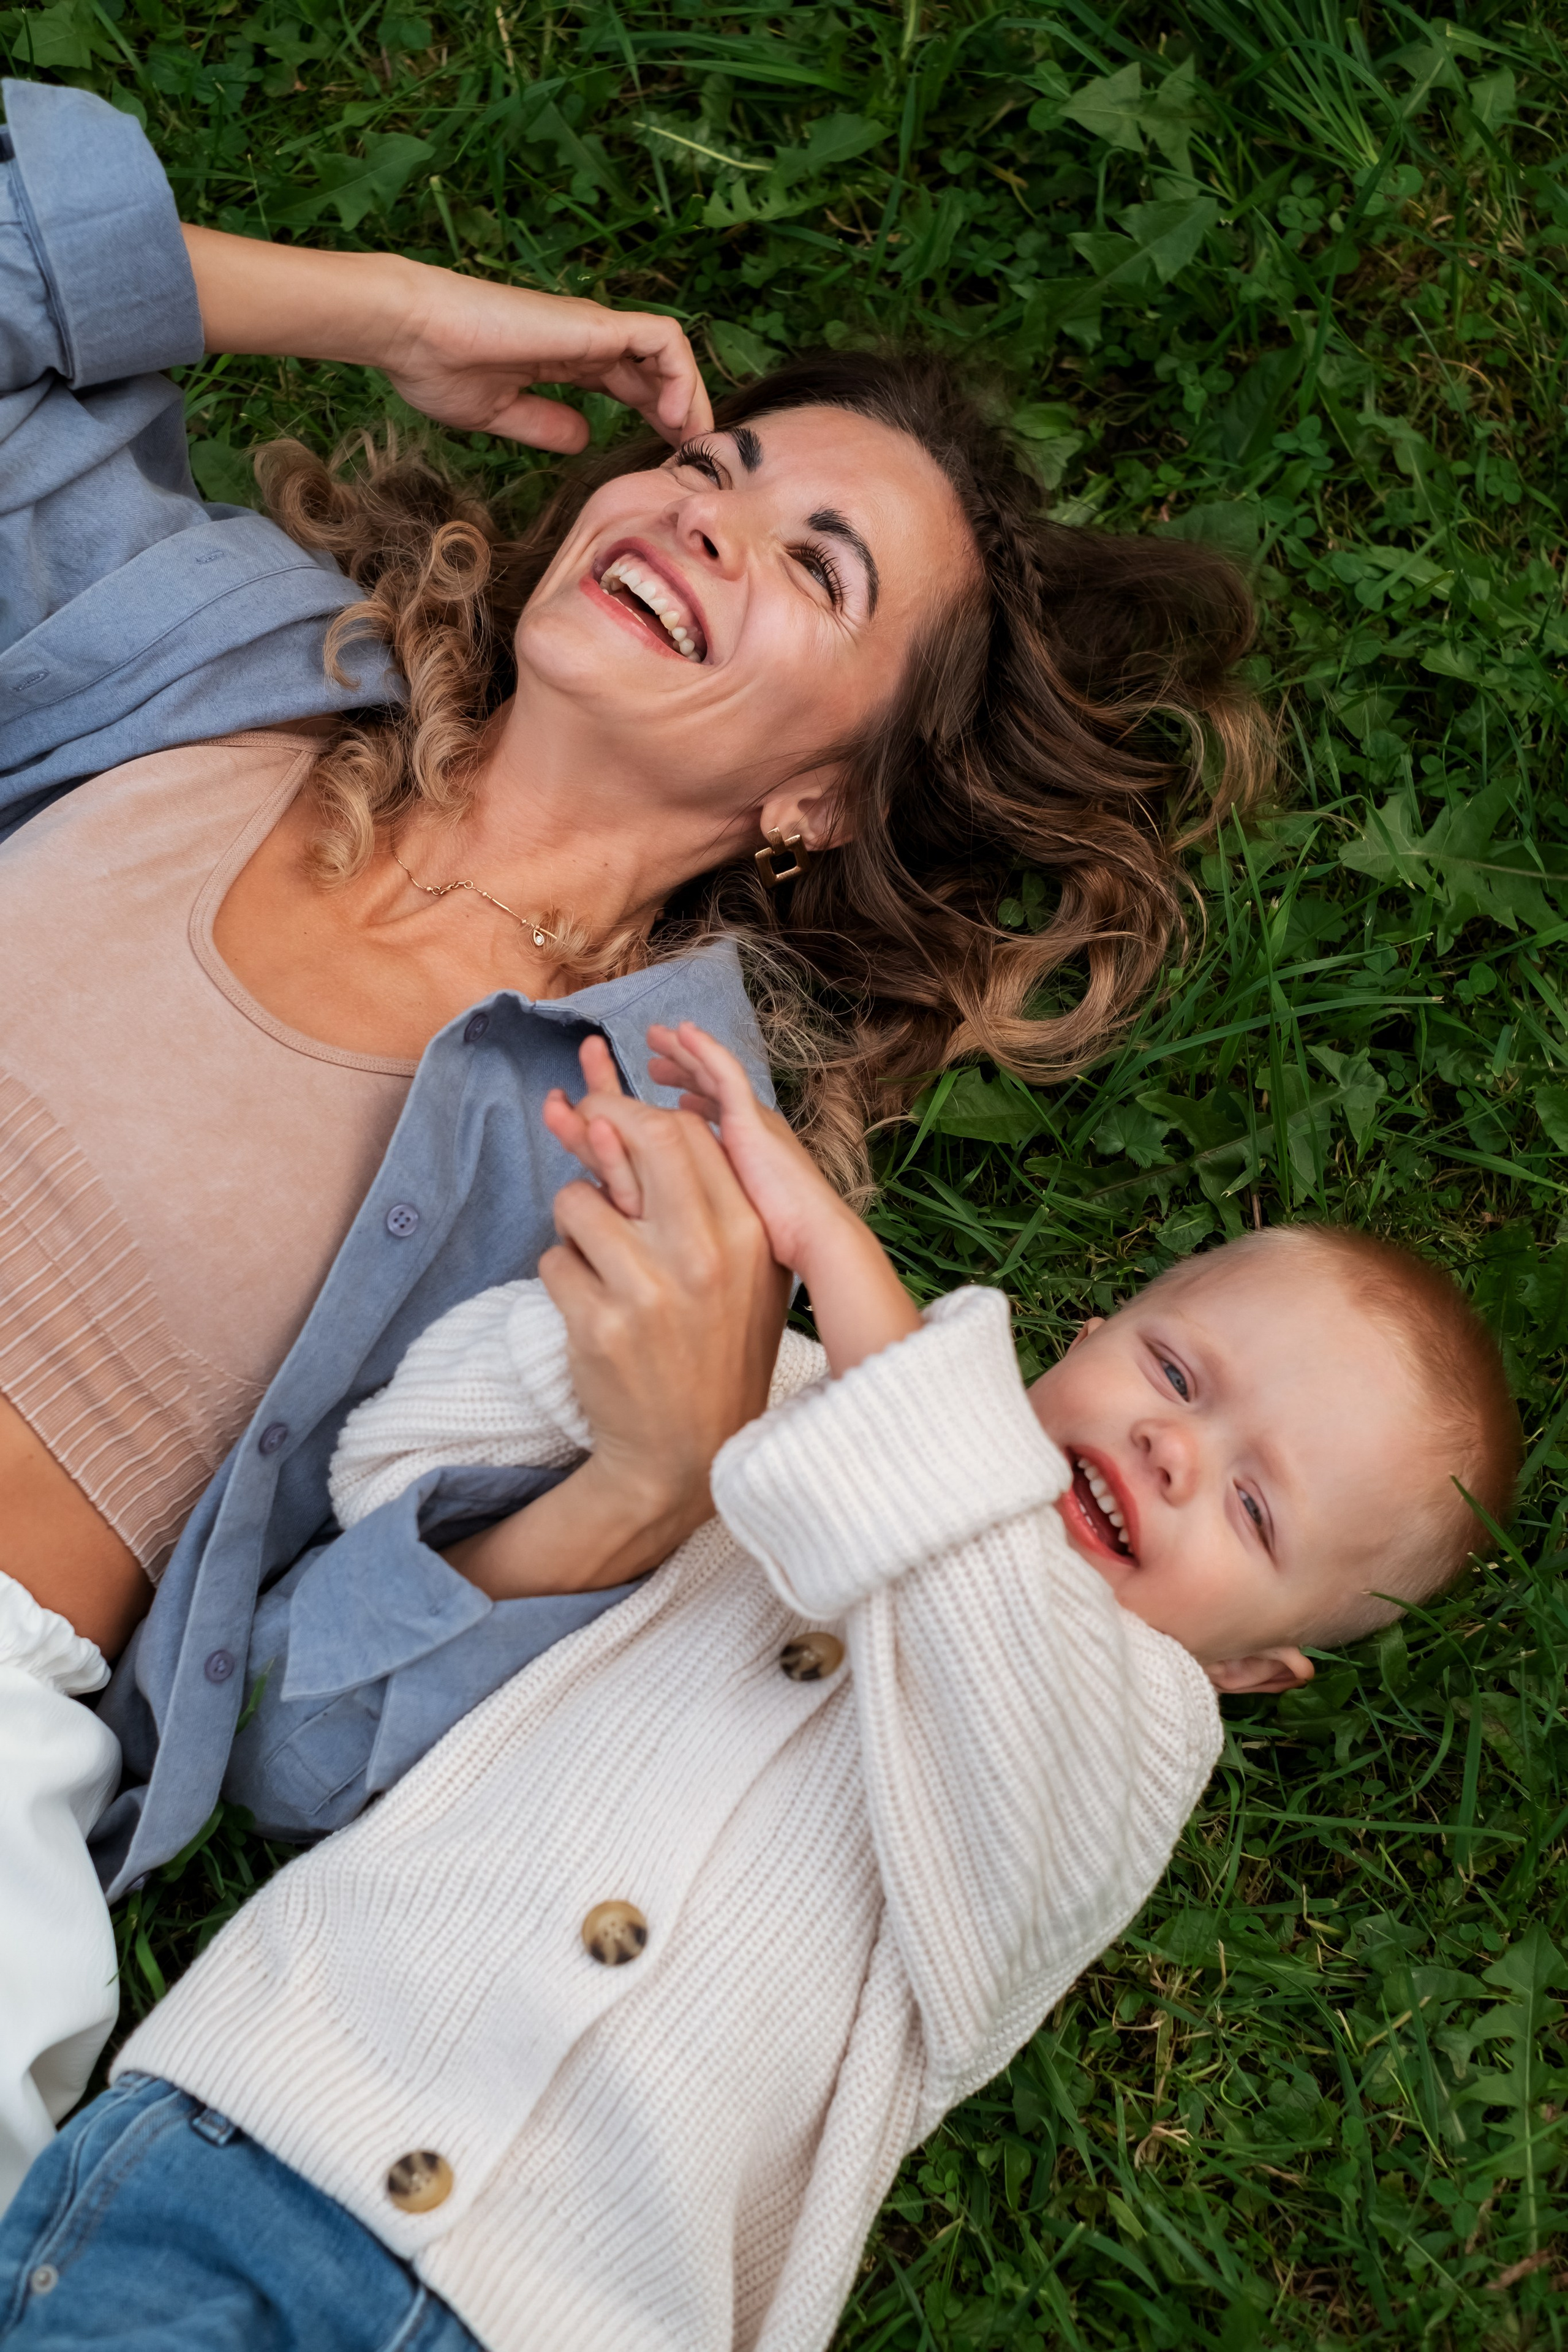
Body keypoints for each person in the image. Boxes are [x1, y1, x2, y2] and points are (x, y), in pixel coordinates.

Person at [0, 66, 1272, 2199]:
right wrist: (376, 304)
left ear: (821, 800)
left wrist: (642, 1479)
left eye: (817, 567)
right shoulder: (221, 648)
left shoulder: (656, 1168)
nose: (707, 521)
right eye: (721, 468)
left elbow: (311, 1744)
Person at [0, 1026, 1518, 2351]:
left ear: (1251, 1669)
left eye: (1253, 1511)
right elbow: (389, 1469)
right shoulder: (778, 1400)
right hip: (244, 2136)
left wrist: (854, 1283)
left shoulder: (1122, 1756)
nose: (1174, 1452)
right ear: (1086, 1336)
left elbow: (989, 1620)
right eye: (1177, 1376)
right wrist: (618, 1329)